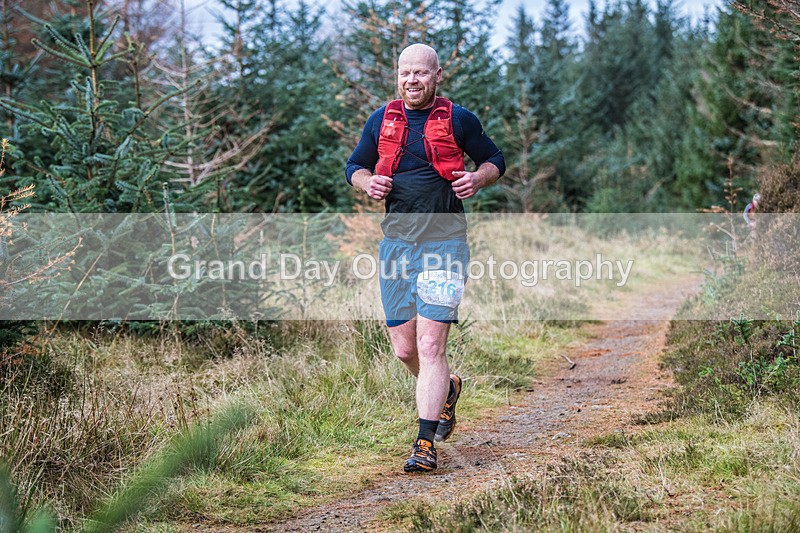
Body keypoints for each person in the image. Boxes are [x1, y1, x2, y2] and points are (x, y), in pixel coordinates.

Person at [345, 43, 505, 472]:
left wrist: (477, 178)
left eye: (420, 73)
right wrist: (367, 183)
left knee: (431, 343)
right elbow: (354, 166)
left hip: (444, 244)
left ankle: (425, 442)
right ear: (398, 76)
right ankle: (446, 390)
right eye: (405, 73)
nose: (412, 80)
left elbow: (495, 159)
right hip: (396, 245)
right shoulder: (380, 120)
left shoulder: (458, 119)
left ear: (437, 76)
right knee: (404, 349)